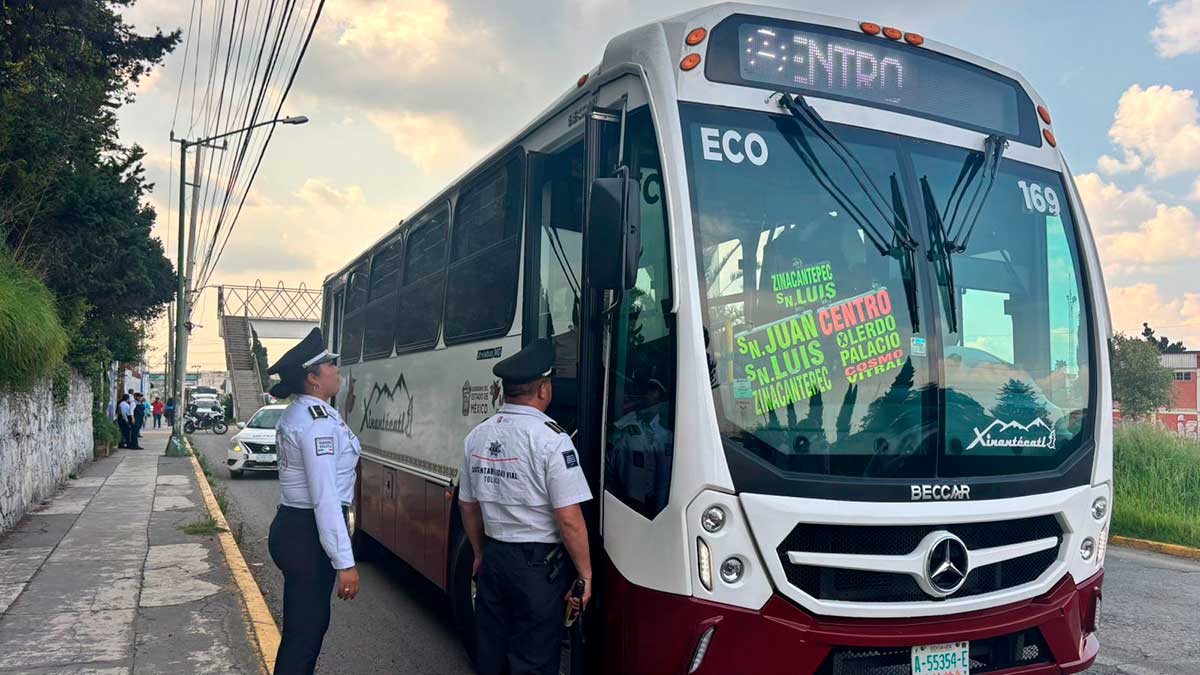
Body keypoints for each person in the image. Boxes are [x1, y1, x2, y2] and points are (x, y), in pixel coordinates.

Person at [458, 338, 593, 675]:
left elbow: (467, 505)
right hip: (536, 568)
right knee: (532, 660)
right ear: (544, 389)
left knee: (491, 654)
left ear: (505, 391)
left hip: (495, 557)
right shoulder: (552, 439)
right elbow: (569, 520)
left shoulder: (476, 436)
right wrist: (585, 574)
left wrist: (479, 552)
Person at [266, 328, 360, 675]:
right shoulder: (318, 424)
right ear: (313, 378)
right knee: (305, 635)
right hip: (307, 533)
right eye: (330, 366)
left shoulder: (305, 414)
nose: (337, 370)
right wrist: (344, 562)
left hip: (294, 527)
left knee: (303, 631)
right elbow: (325, 497)